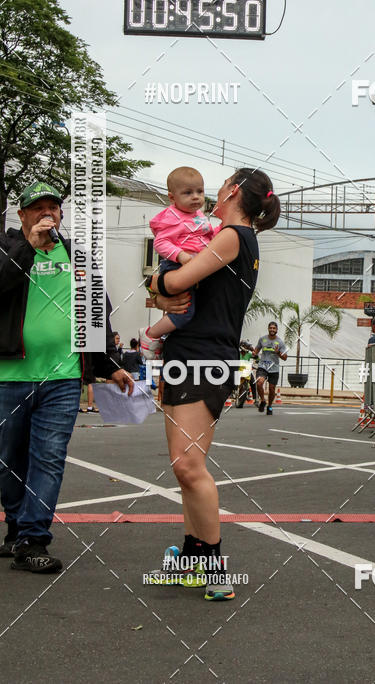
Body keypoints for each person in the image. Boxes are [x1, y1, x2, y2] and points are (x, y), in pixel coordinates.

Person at [147, 168, 280, 600]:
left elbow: (175, 281)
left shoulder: (232, 236)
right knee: (184, 467)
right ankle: (192, 557)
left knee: (188, 465)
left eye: (220, 185)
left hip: (203, 356)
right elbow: (176, 289)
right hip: (189, 352)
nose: (211, 192)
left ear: (234, 191)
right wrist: (163, 290)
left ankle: (215, 567)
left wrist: (158, 284)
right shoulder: (228, 236)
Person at [0, 181, 130, 573]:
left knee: (49, 458)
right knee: (8, 460)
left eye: (53, 209)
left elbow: (96, 313)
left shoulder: (78, 257)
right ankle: (15, 527)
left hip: (63, 378)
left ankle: (32, 540)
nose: (47, 215)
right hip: (10, 378)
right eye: (37, 209)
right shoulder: (7, 250)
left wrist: (110, 363)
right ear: (21, 215)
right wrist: (29, 248)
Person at [139, 167, 216, 359]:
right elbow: (160, 242)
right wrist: (180, 255)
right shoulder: (172, 218)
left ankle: (161, 340)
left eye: (200, 191)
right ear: (172, 198)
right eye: (188, 193)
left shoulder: (197, 215)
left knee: (189, 309)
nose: (196, 197)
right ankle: (150, 335)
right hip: (178, 265)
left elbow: (208, 235)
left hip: (194, 266)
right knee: (183, 312)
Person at [253, 322, 288, 416]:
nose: (272, 329)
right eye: (270, 328)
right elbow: (256, 350)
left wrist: (278, 353)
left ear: (276, 330)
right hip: (263, 366)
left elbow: (285, 357)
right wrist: (254, 353)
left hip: (274, 368)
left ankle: (269, 406)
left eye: (274, 328)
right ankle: (263, 401)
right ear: (268, 329)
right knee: (259, 382)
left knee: (272, 389)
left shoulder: (280, 342)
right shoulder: (262, 339)